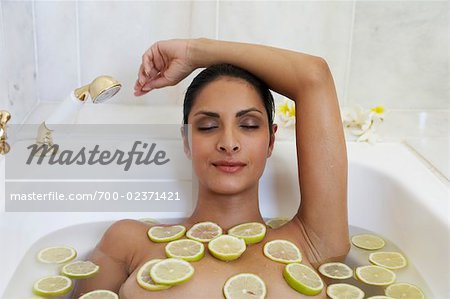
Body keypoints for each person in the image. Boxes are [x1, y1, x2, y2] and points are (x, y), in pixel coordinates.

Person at [72, 38, 349, 298]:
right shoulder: (129, 242)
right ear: (187, 140)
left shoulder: (310, 240)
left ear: (271, 141)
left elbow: (314, 76)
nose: (229, 143)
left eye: (249, 125)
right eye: (208, 126)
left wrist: (195, 52)